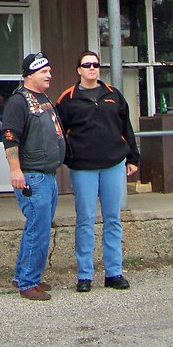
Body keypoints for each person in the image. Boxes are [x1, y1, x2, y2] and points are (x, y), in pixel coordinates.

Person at [56, 51, 140, 293]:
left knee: (113, 219)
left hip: (113, 164)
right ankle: (85, 275)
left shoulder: (113, 95)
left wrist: (132, 157)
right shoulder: (68, 98)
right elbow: (58, 132)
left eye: (95, 64)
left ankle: (114, 272)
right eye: (87, 65)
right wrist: (67, 158)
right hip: (83, 168)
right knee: (85, 220)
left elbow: (126, 127)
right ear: (78, 70)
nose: (92, 68)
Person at [1, 52, 66, 301]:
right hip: (32, 176)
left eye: (49, 70)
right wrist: (15, 170)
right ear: (29, 75)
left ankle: (25, 275)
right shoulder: (19, 102)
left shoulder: (44, 98)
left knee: (38, 228)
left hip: (48, 174)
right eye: (43, 71)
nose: (49, 74)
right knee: (38, 229)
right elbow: (10, 138)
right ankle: (28, 283)